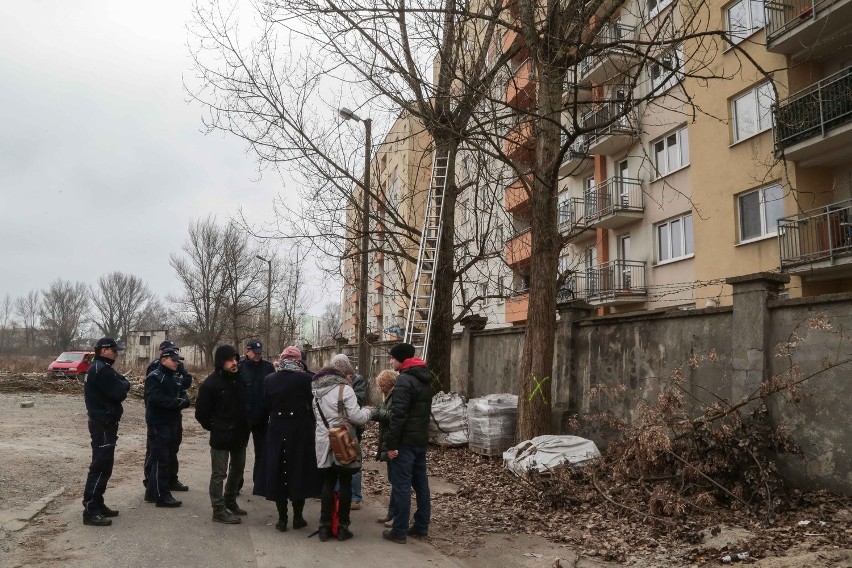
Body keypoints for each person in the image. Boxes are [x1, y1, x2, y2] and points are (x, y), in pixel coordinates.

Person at [254, 346, 322, 532]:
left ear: (282, 359)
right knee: (298, 470)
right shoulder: (308, 379)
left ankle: (282, 519)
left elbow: (265, 405)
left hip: (276, 429)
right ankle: (297, 518)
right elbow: (314, 406)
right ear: (299, 360)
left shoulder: (269, 380)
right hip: (300, 430)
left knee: (278, 470)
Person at [311, 365, 371, 542]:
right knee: (345, 482)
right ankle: (343, 527)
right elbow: (357, 417)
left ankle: (324, 526)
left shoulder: (316, 392)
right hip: (343, 440)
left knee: (328, 482)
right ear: (344, 375)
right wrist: (369, 411)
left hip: (323, 439)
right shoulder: (345, 390)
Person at [382, 343, 432, 544]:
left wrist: (391, 445)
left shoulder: (404, 380)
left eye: (393, 358)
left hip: (405, 443)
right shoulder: (425, 377)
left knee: (401, 486)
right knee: (421, 485)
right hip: (420, 440)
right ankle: (421, 527)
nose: (391, 361)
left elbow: (398, 415)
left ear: (401, 359)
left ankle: (399, 531)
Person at [195, 345, 250, 524]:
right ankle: (218, 510)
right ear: (221, 362)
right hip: (221, 436)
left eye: (236, 359)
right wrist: (214, 426)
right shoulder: (211, 384)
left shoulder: (239, 379)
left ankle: (230, 500)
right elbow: (201, 412)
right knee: (219, 474)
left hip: (240, 434)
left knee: (238, 469)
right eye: (230, 360)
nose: (235, 363)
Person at [82, 337, 130, 527]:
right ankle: (91, 510)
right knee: (100, 466)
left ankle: (98, 504)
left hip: (105, 423)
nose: (116, 353)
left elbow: (123, 382)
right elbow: (120, 392)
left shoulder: (102, 368)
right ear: (103, 350)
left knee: (104, 465)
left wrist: (122, 385)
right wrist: (122, 386)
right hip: (102, 423)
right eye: (113, 350)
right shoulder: (101, 370)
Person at [143, 348, 191, 508]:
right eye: (174, 360)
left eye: (178, 360)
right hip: (159, 423)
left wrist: (184, 400)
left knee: (168, 456)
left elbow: (182, 391)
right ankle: (162, 495)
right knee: (160, 459)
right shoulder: (155, 377)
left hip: (172, 421)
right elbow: (155, 398)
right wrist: (176, 403)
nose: (177, 362)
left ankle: (152, 492)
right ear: (163, 360)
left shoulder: (174, 377)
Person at [329, 353, 366, 509]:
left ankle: (355, 497)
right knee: (337, 461)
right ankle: (337, 494)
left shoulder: (357, 380)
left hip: (351, 429)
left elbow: (358, 402)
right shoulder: (330, 383)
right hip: (336, 429)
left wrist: (345, 391)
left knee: (353, 462)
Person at [239, 340, 275, 490]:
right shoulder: (239, 367)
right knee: (239, 453)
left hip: (262, 416)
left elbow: (274, 389)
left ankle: (259, 483)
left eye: (260, 352)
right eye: (255, 352)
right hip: (243, 418)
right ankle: (236, 484)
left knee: (261, 452)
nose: (258, 355)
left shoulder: (268, 367)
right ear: (247, 351)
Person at [371, 369, 399, 528]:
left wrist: (375, 413)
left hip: (394, 443)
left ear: (390, 384)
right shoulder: (388, 396)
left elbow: (392, 415)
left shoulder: (396, 396)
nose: (380, 388)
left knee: (397, 482)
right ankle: (391, 513)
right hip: (389, 441)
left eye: (382, 385)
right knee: (392, 480)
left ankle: (397, 516)